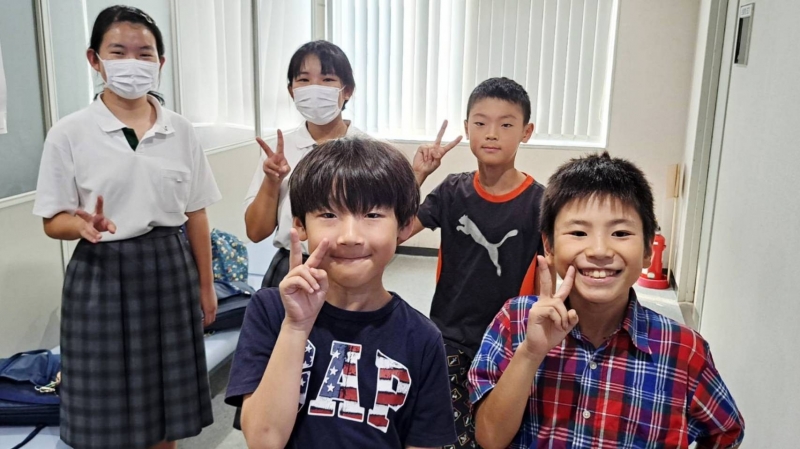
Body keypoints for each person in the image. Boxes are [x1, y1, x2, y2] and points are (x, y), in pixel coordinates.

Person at [32, 6, 219, 449]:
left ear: (160, 62)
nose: (132, 62)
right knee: (106, 411)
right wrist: (82, 225)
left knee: (166, 412)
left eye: (144, 53)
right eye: (118, 52)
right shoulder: (69, 133)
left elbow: (196, 213)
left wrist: (206, 286)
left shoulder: (180, 130)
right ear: (94, 59)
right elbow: (52, 221)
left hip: (170, 268)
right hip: (101, 272)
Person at [468, 152, 745, 448]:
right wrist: (530, 353)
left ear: (648, 250)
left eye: (620, 233)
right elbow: (489, 438)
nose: (599, 250)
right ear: (549, 245)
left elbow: (726, 433)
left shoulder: (683, 350)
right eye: (578, 232)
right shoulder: (515, 320)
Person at [226, 138, 456, 448]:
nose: (349, 236)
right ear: (300, 225)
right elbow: (264, 440)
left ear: (403, 227)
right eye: (329, 215)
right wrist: (296, 327)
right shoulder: (271, 311)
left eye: (372, 215)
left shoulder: (421, 338)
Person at [245, 40, 461, 289]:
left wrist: (417, 174)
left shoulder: (370, 150)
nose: (314, 88)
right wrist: (272, 181)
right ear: (292, 91)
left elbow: (386, 214)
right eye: (303, 80)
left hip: (349, 264)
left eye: (327, 79)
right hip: (291, 267)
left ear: (347, 90)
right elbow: (256, 232)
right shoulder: (278, 152)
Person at [406, 77, 546, 448]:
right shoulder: (452, 190)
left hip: (509, 340)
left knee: (497, 433)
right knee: (446, 434)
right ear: (467, 128)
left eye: (506, 124)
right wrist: (417, 175)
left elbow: (558, 267)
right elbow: (397, 232)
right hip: (449, 334)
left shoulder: (540, 203)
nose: (492, 133)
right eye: (481, 123)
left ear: (526, 131)